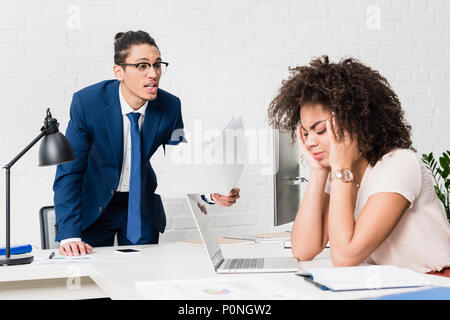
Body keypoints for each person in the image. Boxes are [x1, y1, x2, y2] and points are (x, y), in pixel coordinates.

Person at [54, 30, 240, 256]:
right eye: (142, 66)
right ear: (119, 72)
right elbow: (69, 171)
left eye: (157, 65)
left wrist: (211, 194)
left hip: (140, 206)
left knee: (140, 278)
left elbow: (182, 163)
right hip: (95, 206)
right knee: (91, 279)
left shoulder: (170, 106)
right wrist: (69, 234)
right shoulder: (88, 102)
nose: (153, 73)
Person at [268, 55, 450, 275]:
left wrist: (339, 169)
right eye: (305, 133)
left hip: (436, 285)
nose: (310, 141)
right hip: (390, 285)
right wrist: (317, 172)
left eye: (321, 130)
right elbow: (303, 249)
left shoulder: (399, 164)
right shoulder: (341, 174)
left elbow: (345, 257)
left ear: (354, 123)